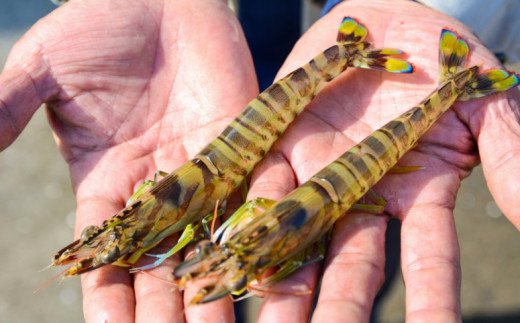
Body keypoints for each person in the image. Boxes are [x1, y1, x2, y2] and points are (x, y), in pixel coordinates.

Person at [0, 0, 518, 322]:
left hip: (276, 141)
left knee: (358, 247)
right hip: (240, 91)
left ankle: (369, 60)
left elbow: (202, 231)